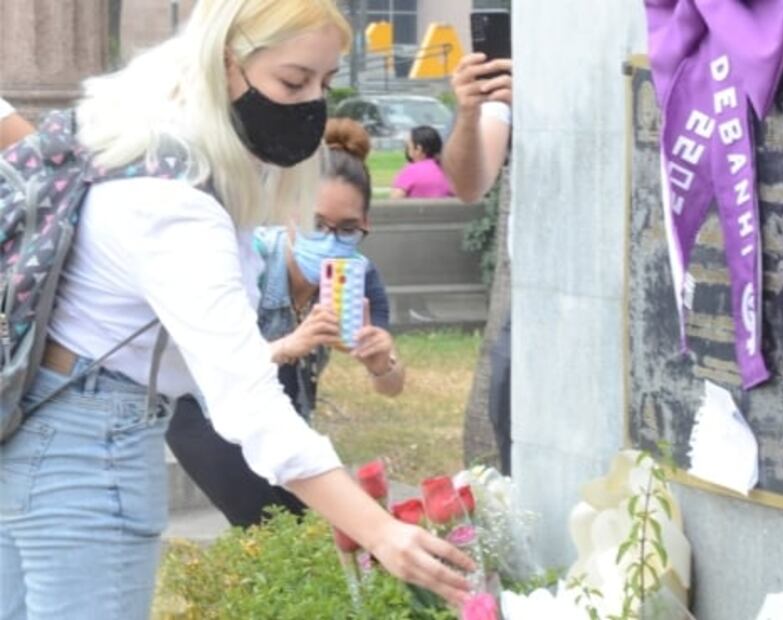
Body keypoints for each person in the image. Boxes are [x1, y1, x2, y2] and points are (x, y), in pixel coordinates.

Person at [0, 3, 474, 619]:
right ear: (225, 63)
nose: (313, 105)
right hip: (90, 447)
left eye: (325, 83)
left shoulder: (138, 141)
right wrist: (379, 530)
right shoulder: (175, 204)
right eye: (293, 81)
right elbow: (249, 402)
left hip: (40, 423)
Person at [166, 118, 405, 528]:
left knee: (309, 527)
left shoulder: (360, 277)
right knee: (268, 523)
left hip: (281, 411)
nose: (331, 239)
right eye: (316, 224)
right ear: (290, 214)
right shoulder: (250, 261)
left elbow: (391, 387)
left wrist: (381, 363)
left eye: (347, 229)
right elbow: (208, 362)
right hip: (202, 410)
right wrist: (288, 345)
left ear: (365, 224)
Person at [441, 52, 514, 474]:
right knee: (508, 442)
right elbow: (470, 184)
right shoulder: (511, 83)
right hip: (529, 304)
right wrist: (469, 112)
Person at [390, 125, 454, 199]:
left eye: (408, 146)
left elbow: (395, 199)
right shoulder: (450, 172)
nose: (407, 149)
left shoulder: (410, 171)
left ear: (418, 149)